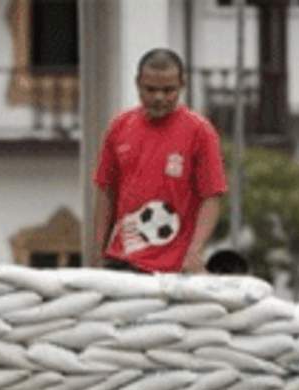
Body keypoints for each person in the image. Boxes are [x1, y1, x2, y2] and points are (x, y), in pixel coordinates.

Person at [92, 48, 227, 274]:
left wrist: (194, 252)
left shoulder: (200, 132)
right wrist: (97, 253)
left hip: (172, 268)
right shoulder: (119, 127)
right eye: (151, 89)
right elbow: (106, 192)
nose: (159, 97)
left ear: (182, 85)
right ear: (137, 83)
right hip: (123, 260)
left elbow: (211, 197)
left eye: (168, 90)